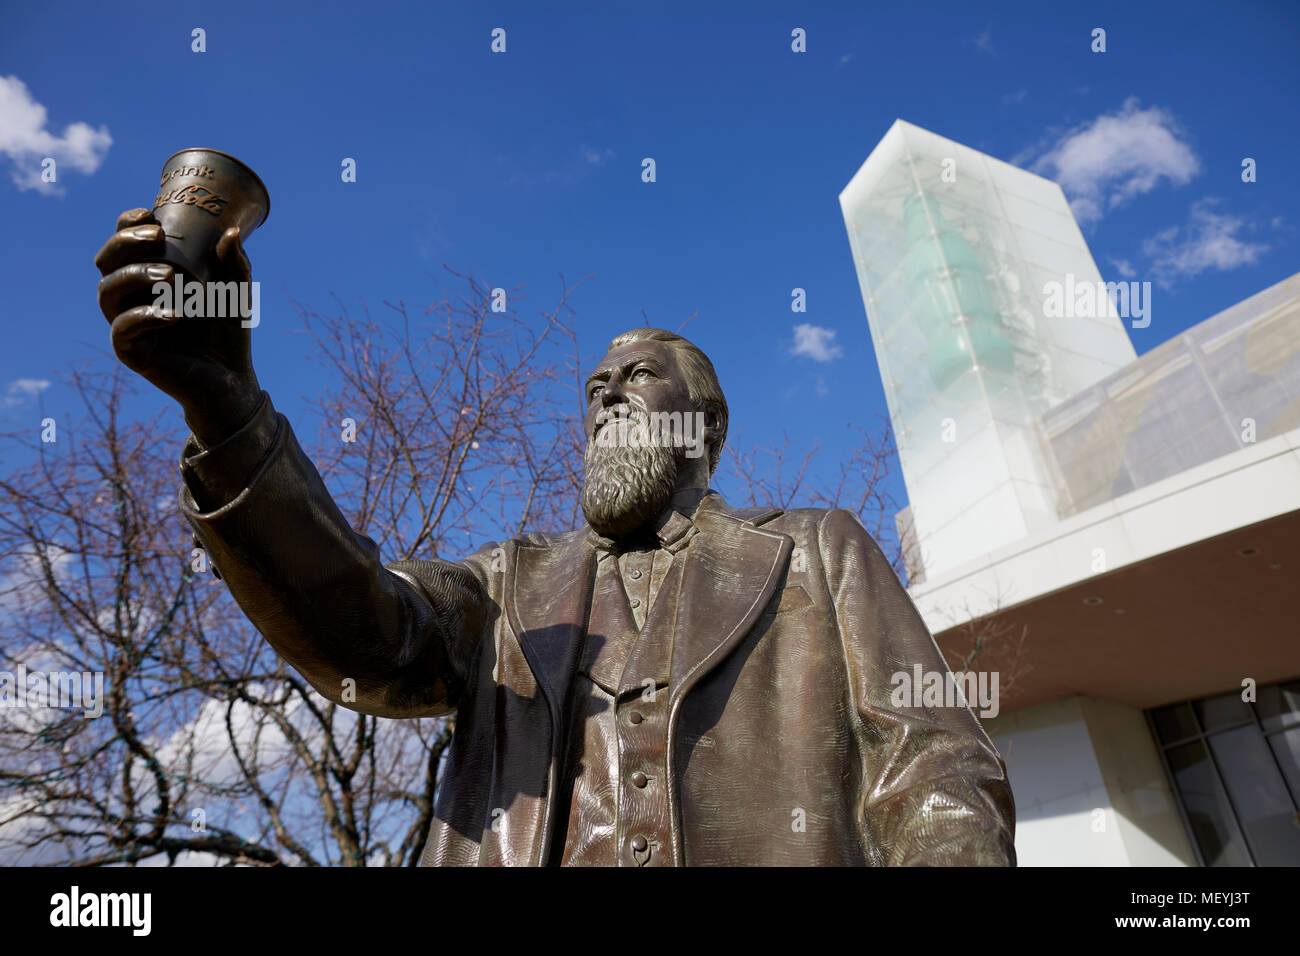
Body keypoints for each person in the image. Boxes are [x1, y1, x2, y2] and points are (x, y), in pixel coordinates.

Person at [95, 207, 1016, 866]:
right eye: (596, 387)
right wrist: (230, 419)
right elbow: (365, 633)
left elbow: (935, 766)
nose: (607, 392)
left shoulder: (819, 551)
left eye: (641, 375)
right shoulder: (505, 586)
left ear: (708, 424)